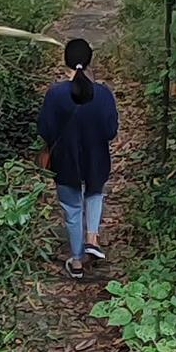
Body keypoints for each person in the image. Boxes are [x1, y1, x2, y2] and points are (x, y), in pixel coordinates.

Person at [38, 36, 119, 282]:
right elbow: (110, 131)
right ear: (90, 62)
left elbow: (45, 129)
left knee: (72, 209)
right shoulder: (104, 95)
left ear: (66, 63)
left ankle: (76, 261)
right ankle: (92, 238)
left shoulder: (55, 95)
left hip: (65, 161)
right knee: (94, 194)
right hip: (96, 159)